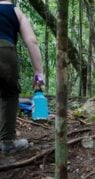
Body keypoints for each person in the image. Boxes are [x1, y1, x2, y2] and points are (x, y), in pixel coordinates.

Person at [0, 0, 44, 154]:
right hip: (5, 53)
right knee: (9, 94)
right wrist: (39, 72)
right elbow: (31, 41)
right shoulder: (15, 11)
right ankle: (8, 142)